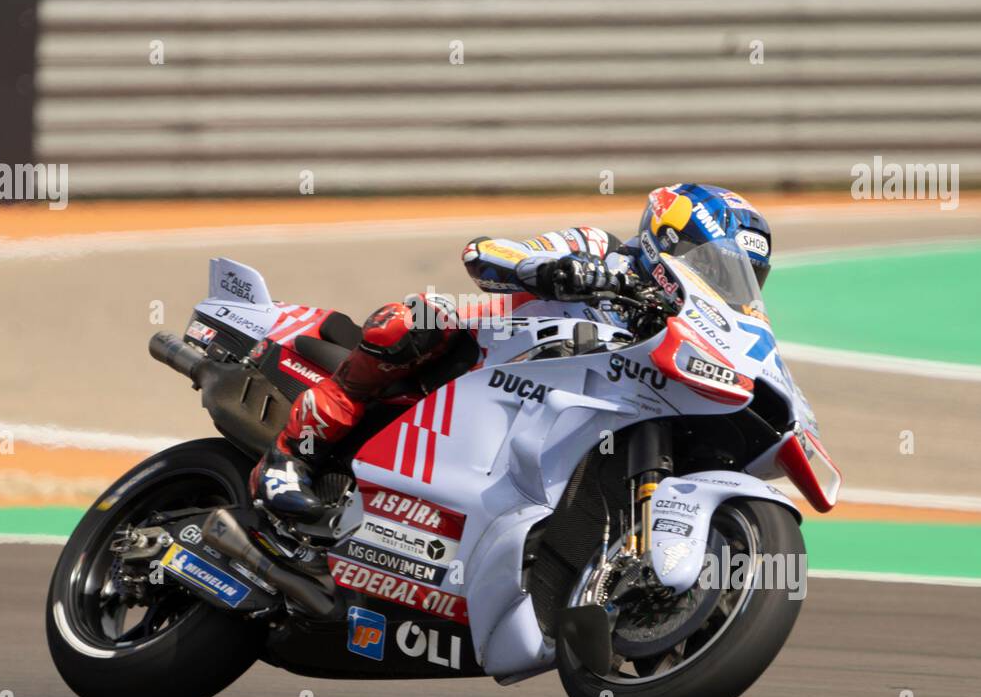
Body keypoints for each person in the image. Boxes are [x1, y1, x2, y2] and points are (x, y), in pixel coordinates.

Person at [250, 183, 773, 519]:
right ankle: (291, 455)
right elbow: (485, 253)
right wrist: (548, 269)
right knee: (415, 320)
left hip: (560, 425)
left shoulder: (691, 325)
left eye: (739, 275)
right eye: (710, 262)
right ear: (667, 240)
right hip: (480, 364)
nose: (718, 280)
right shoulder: (599, 249)